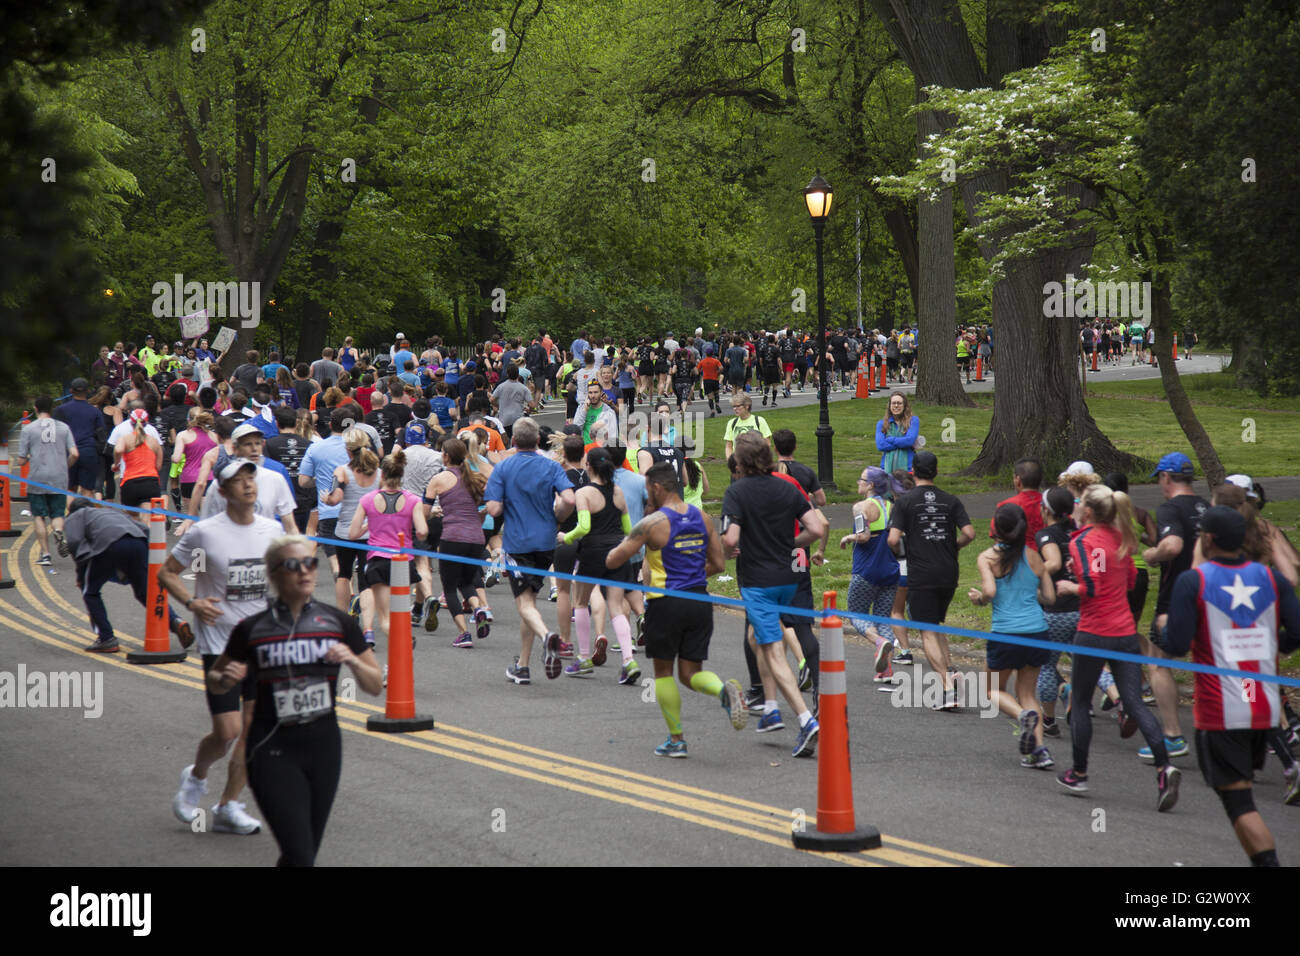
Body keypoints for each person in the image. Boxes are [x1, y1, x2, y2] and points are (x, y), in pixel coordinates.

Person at [208, 535, 381, 866]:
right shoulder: (251, 629)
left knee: (302, 854)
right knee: (300, 854)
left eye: (310, 563)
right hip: (272, 748)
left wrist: (353, 660)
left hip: (324, 748)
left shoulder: (338, 622)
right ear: (274, 574)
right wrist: (225, 677)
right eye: (293, 565)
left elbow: (374, 686)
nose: (304, 571)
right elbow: (216, 681)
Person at [1156, 506, 1300, 863]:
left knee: (1239, 802)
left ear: (1206, 539)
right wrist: (1272, 644)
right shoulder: (1270, 578)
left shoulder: (1196, 581)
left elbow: (1175, 644)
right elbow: (1297, 631)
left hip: (1221, 710)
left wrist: (1162, 624)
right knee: (1241, 793)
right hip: (1265, 708)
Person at [161, 459, 283, 837]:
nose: (248, 485)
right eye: (238, 481)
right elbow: (167, 572)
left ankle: (229, 805)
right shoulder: (205, 533)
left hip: (261, 645)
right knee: (228, 731)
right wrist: (192, 602)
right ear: (223, 491)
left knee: (253, 732)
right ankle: (196, 777)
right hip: (221, 646)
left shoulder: (272, 530)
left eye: (251, 478)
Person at [1053, 484, 1181, 809]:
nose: (1077, 506)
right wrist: (1083, 572)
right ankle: (1165, 767)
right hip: (1124, 632)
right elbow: (1124, 583)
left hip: (1094, 632)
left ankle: (1079, 772)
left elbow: (1092, 588)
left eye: (1081, 503)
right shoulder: (1123, 539)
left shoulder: (1082, 540)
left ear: (1090, 512)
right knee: (1135, 701)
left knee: (1080, 701)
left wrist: (1070, 584)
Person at [607, 462, 745, 756]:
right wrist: (692, 576)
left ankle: (677, 739)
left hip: (665, 602)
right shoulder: (704, 517)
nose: (647, 497)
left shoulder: (652, 524)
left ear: (657, 488)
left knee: (664, 672)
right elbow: (719, 564)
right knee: (690, 672)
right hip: (699, 601)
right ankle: (722, 690)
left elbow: (614, 560)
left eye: (647, 491)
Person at [721, 432, 826, 757]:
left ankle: (806, 720)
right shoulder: (786, 486)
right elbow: (818, 528)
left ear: (741, 461)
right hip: (788, 577)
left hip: (757, 582)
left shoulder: (736, 492)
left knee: (773, 650)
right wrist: (791, 544)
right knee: (756, 637)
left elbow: (730, 538)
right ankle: (769, 708)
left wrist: (730, 549)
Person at [967, 504, 1056, 768]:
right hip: (1037, 632)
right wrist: (1029, 594)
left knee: (991, 690)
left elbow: (990, 592)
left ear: (996, 528)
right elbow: (1049, 597)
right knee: (1028, 693)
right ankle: (1039, 751)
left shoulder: (988, 557)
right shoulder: (1035, 557)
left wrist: (979, 598)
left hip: (1006, 633)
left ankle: (1022, 716)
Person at [887, 450, 975, 711]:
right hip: (948, 571)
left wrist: (905, 551)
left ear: (913, 472)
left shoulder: (904, 502)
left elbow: (893, 539)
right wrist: (953, 547)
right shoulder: (951, 500)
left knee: (926, 630)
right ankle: (950, 671)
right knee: (935, 625)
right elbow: (969, 533)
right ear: (936, 472)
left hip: (921, 571)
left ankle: (947, 688)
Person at [1139, 452, 1207, 762]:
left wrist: (1153, 554)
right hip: (1213, 594)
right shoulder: (1207, 507)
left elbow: (1173, 546)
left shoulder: (1169, 508)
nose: (1160, 486)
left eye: (1160, 480)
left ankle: (1172, 735)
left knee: (1158, 664)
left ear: (1166, 477)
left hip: (1177, 598)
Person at [61, 497, 193, 653]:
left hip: (109, 544)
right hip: (138, 543)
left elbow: (76, 543)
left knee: (90, 592)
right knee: (145, 592)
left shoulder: (76, 516)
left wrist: (81, 575)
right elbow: (144, 529)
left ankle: (106, 638)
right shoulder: (110, 512)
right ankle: (175, 621)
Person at [347, 447, 427, 651]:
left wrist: (370, 525)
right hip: (403, 561)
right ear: (402, 475)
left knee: (385, 617)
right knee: (399, 613)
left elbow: (352, 534)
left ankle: (401, 651)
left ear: (382, 474)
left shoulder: (367, 500)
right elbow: (422, 532)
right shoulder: (413, 500)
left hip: (378, 561)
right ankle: (403, 648)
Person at [425, 439, 491, 648]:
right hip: (476, 538)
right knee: (467, 582)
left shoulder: (439, 479)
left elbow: (425, 512)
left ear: (446, 456)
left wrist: (434, 512)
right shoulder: (474, 478)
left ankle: (464, 633)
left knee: (450, 587)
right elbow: (482, 509)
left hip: (452, 536)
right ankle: (479, 608)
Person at [843, 466, 905, 679]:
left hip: (866, 570)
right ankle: (887, 670)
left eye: (861, 479)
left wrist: (847, 538)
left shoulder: (861, 507)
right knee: (883, 618)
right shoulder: (892, 506)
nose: (858, 482)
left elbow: (863, 536)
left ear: (870, 485)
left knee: (855, 613)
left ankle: (879, 642)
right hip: (890, 570)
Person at [17, 395, 79, 565]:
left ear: (36, 409)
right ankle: (58, 530)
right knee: (58, 513)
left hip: (37, 477)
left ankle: (45, 554)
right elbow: (74, 453)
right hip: (58, 476)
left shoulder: (29, 429)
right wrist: (65, 466)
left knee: (38, 516)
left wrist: (29, 456)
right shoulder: (64, 428)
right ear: (52, 409)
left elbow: (21, 460)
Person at [54, 378, 106, 498]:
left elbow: (54, 434)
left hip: (68, 452)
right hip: (88, 451)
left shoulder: (61, 410)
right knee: (87, 490)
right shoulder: (95, 412)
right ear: (88, 391)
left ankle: (72, 515)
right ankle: (86, 515)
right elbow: (102, 435)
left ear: (71, 391)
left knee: (69, 489)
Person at [114, 408, 164, 513]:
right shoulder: (154, 441)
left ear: (130, 423)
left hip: (130, 482)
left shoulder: (125, 439)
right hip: (150, 482)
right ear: (146, 423)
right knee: (147, 519)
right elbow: (158, 466)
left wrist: (116, 463)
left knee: (132, 519)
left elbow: (118, 449)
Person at [875, 391, 919, 474]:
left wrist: (890, 439)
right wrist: (902, 442)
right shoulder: (881, 424)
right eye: (893, 403)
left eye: (899, 403)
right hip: (886, 468)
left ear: (904, 406)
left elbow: (909, 441)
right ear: (889, 406)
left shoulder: (913, 421)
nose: (896, 405)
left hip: (908, 467)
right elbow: (881, 445)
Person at [722, 393, 771, 460]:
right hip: (738, 463)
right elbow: (728, 446)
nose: (735, 409)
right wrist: (730, 461)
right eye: (733, 406)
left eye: (738, 406)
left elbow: (767, 444)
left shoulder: (759, 421)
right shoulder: (732, 423)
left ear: (747, 406)